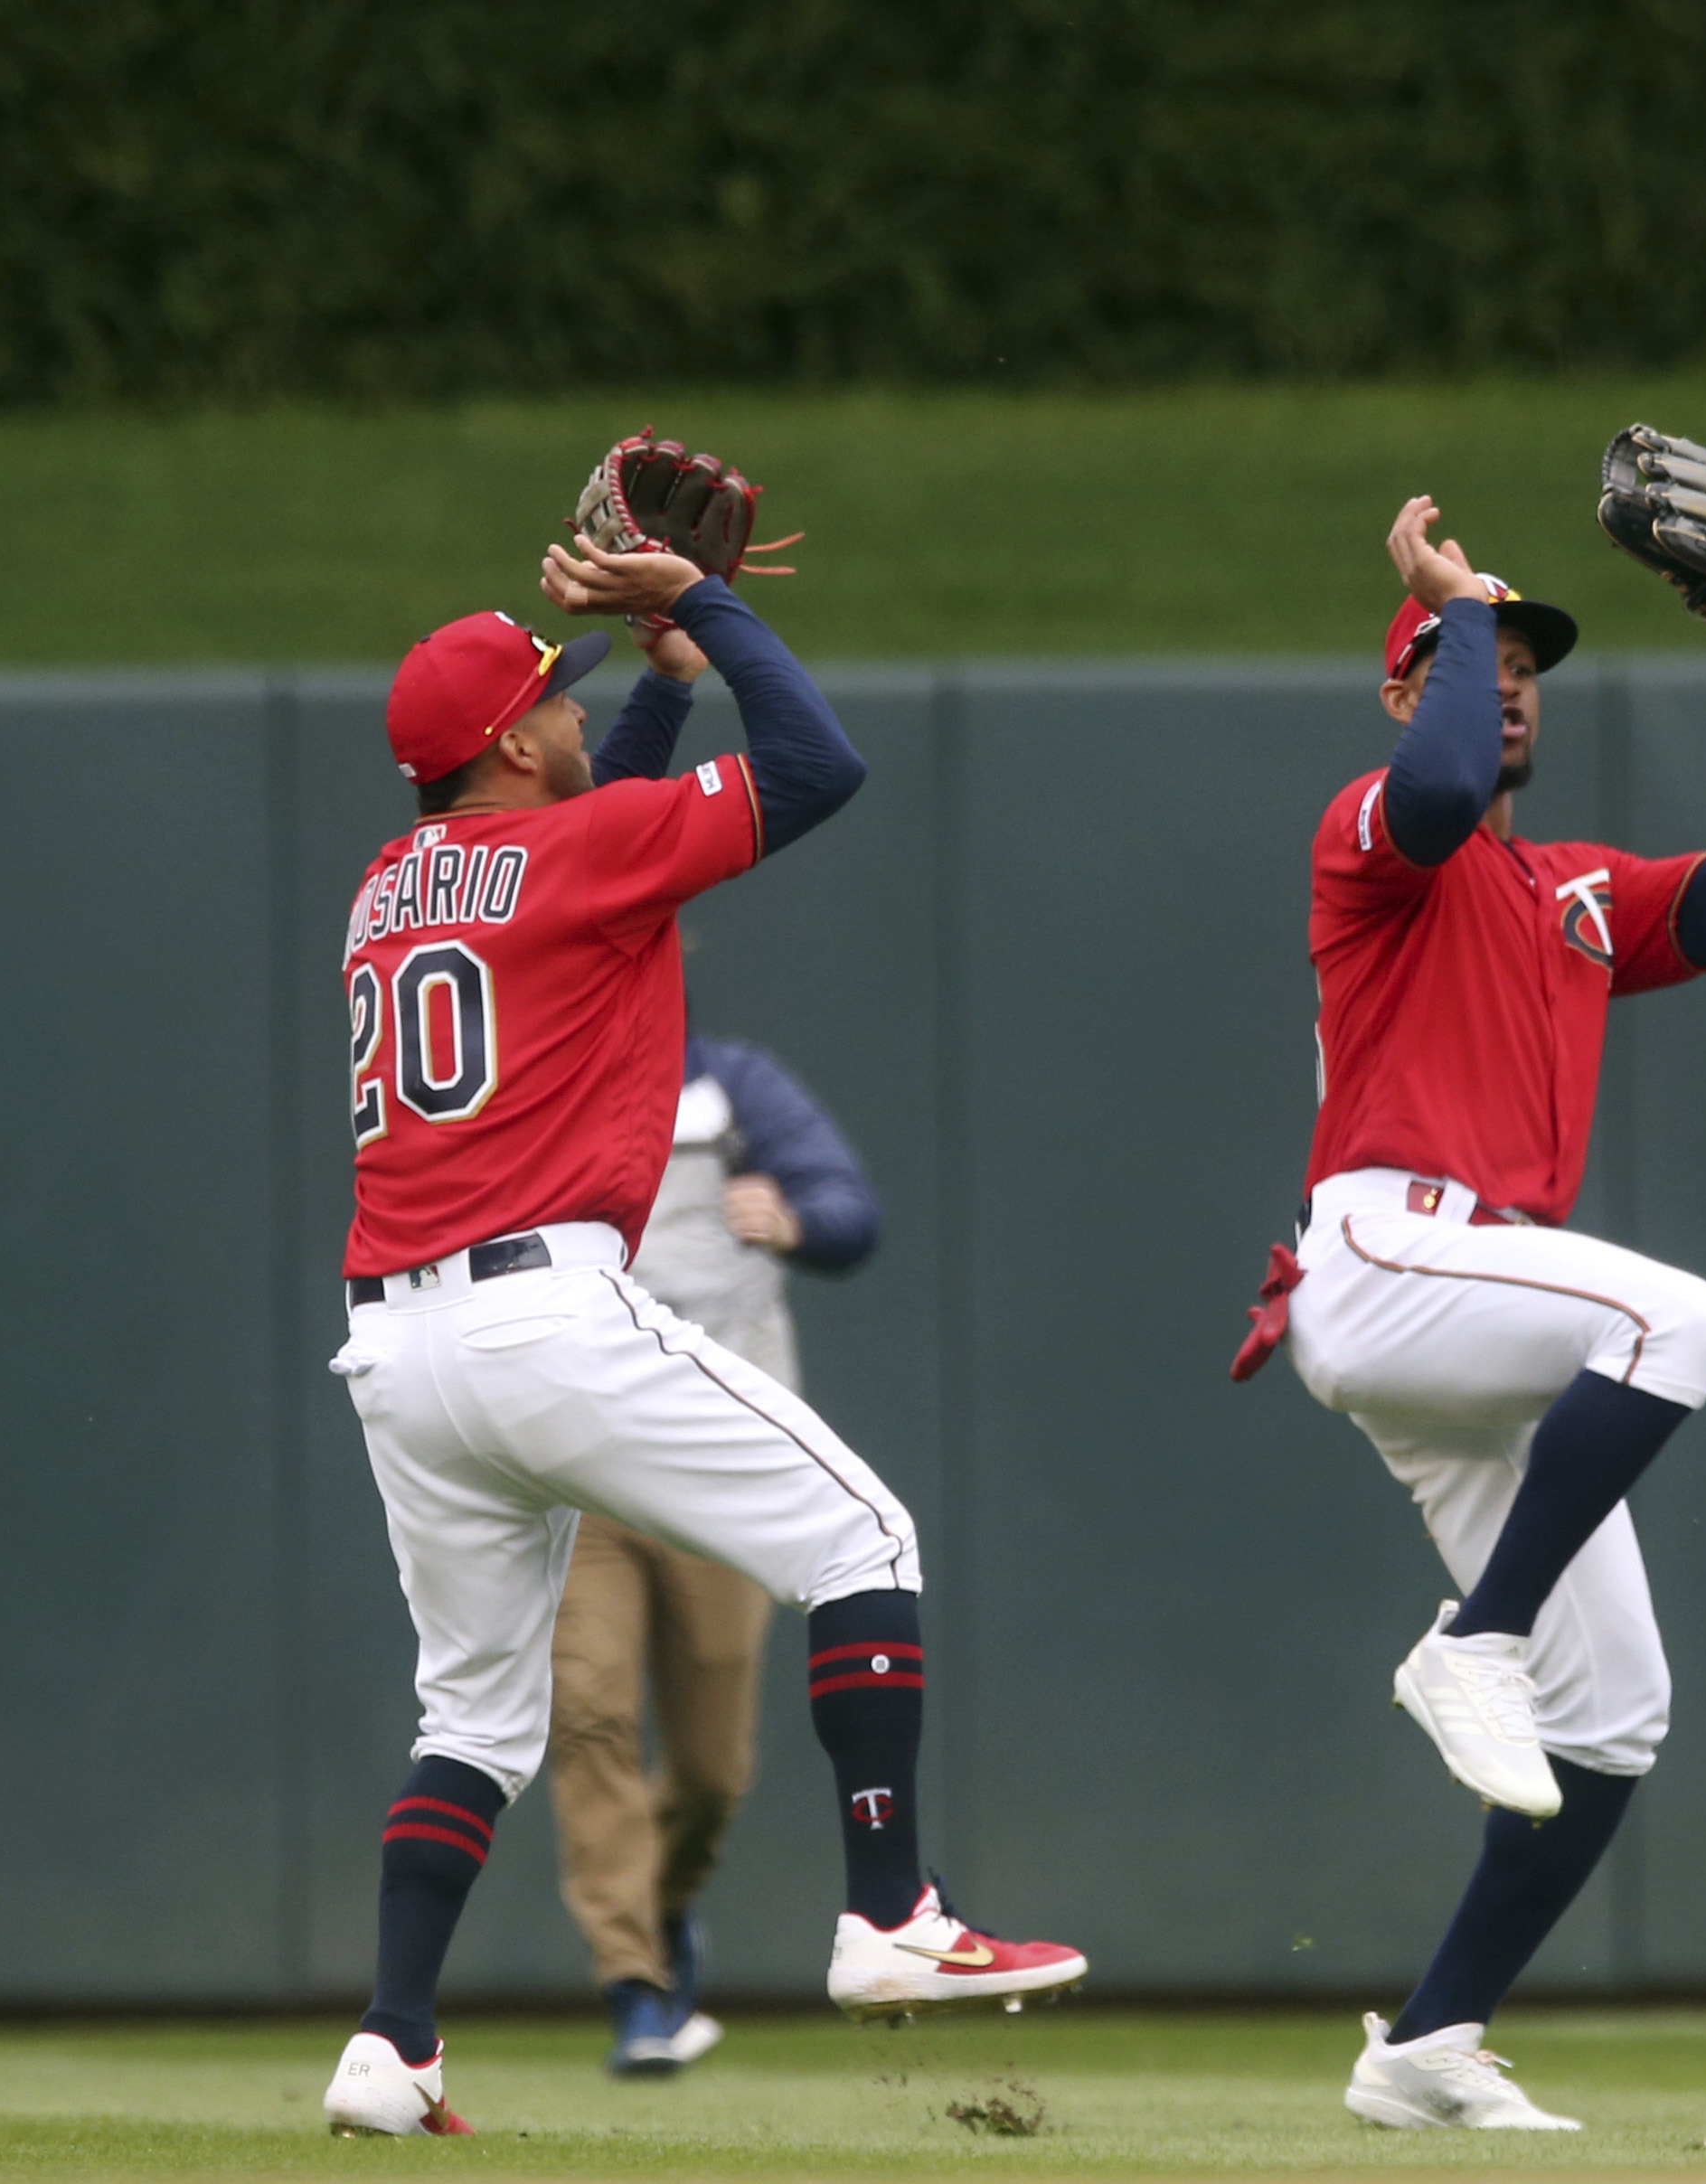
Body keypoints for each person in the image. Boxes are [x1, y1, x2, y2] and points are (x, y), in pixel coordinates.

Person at [320, 540, 1082, 2139]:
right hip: (542, 1312)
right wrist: (710, 609)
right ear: (511, 745)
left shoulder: (384, 890)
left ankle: (392, 2045)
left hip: (397, 1349)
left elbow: (575, 847)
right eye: (556, 702)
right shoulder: (566, 848)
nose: (573, 714)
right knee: (865, 1538)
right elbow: (817, 765)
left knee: (474, 1719)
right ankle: (892, 1910)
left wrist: (659, 688)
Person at [1234, 497, 1706, 2130]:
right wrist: (1456, 605)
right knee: (1677, 1321)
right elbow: (1434, 795)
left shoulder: (1573, 892)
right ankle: (1476, 1640)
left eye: (1520, 663)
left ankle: (1427, 2042)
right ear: (1401, 692)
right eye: (1461, 658)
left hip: (1476, 1329)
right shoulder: (1372, 837)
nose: (1502, 680)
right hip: (1389, 1254)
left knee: (1616, 1720)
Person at [550, 999, 882, 2077]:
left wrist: (795, 1218)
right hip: (581, 1467)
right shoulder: (541, 1084)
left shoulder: (733, 1083)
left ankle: (664, 1910)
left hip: (717, 1468)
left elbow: (850, 1211)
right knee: (589, 1714)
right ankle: (634, 1986)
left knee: (710, 1766)